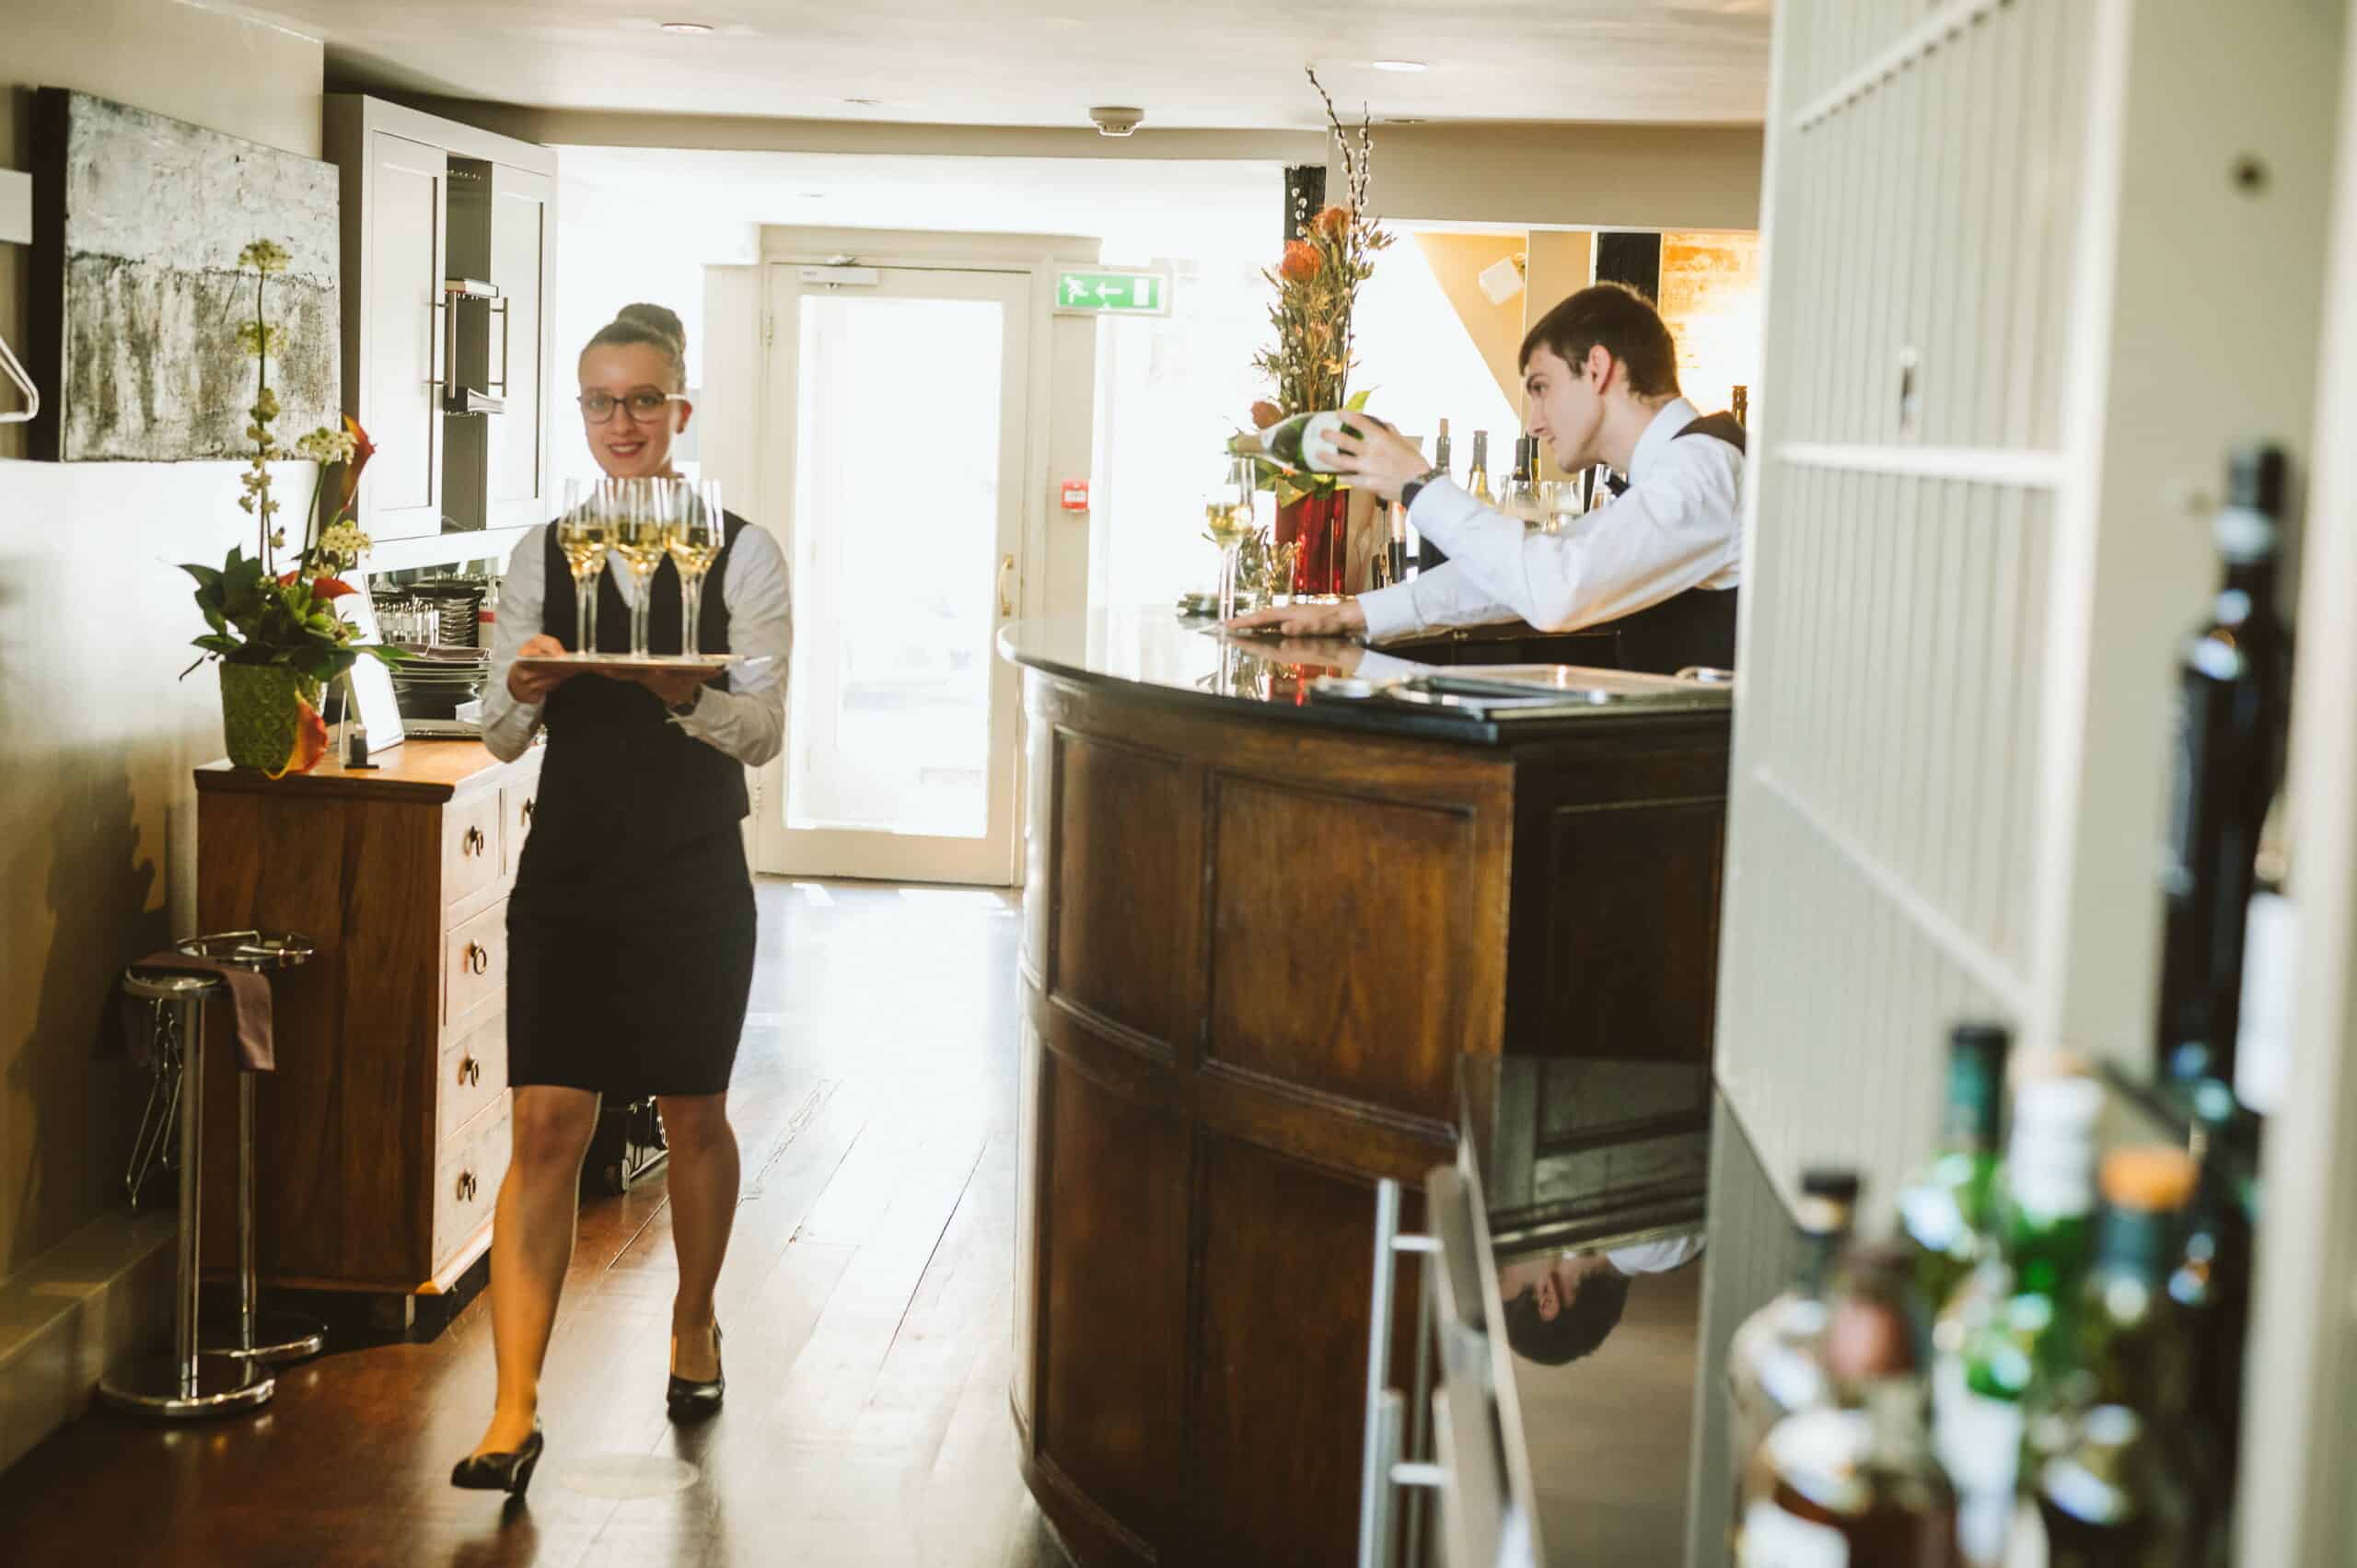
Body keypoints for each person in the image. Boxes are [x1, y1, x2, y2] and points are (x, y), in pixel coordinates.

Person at [451, 302, 791, 1496]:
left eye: (644, 399)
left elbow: (760, 730)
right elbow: (494, 733)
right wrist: (530, 684)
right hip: (572, 870)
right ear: (583, 411)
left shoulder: (743, 552)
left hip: (695, 867)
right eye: (602, 400)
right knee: (546, 1122)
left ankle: (693, 1318)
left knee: (694, 1111)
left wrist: (673, 690)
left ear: (682, 410)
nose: (623, 421)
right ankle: (510, 1407)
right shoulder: (539, 555)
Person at [1227, 283, 1746, 676]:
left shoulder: (1704, 469)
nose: (1535, 422)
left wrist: (1417, 484)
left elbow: (1555, 591)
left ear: (1597, 368)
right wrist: (1355, 613)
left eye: (1541, 388)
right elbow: (1518, 578)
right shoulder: (1687, 466)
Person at [1497, 1232, 1706, 1366]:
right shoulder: (1648, 1245)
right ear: (1547, 1298)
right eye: (1503, 1274)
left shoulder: (1645, 1251)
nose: (1503, 1255)